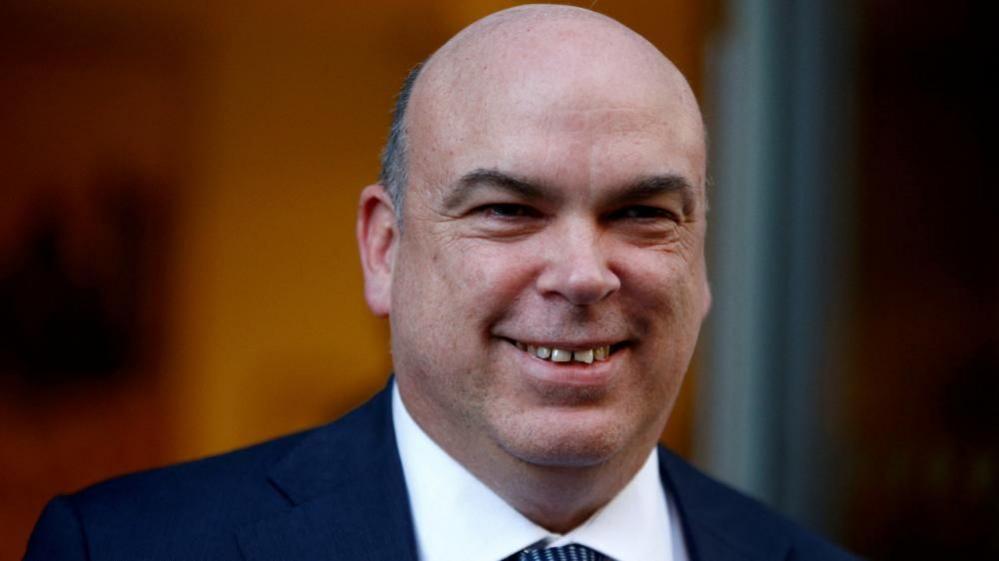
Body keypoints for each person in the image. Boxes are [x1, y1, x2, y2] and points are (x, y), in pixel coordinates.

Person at [24, 5, 858, 560]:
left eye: (643, 213)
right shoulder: (123, 547)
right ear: (384, 250)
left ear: (703, 265)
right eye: (507, 209)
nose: (581, 274)